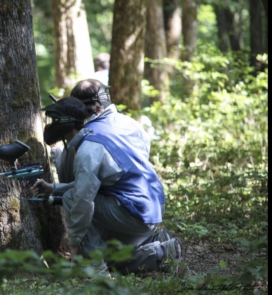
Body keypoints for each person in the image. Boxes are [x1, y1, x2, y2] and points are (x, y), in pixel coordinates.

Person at [33, 95, 186, 277]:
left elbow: (82, 200)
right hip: (148, 209)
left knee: (72, 199)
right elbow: (88, 183)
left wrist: (74, 245)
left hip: (135, 211)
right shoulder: (95, 138)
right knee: (109, 252)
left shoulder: (86, 152)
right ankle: (160, 247)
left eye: (54, 120)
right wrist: (55, 188)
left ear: (64, 123)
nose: (50, 125)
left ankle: (98, 271)